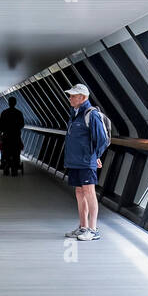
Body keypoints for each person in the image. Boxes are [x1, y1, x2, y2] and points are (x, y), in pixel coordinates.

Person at [62, 83, 110, 241]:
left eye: (73, 96)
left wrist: (96, 156)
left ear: (82, 98)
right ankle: (83, 227)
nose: (70, 98)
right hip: (75, 161)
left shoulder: (91, 114)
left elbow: (102, 139)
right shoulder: (75, 113)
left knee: (89, 192)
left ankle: (93, 229)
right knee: (79, 192)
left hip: (86, 161)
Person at [0, 96, 25, 175]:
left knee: (5, 151)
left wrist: (4, 131)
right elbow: (22, 124)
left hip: (6, 136)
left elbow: (0, 125)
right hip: (16, 136)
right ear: (15, 103)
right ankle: (15, 167)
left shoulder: (4, 113)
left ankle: (5, 164)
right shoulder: (19, 113)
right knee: (16, 152)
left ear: (8, 103)